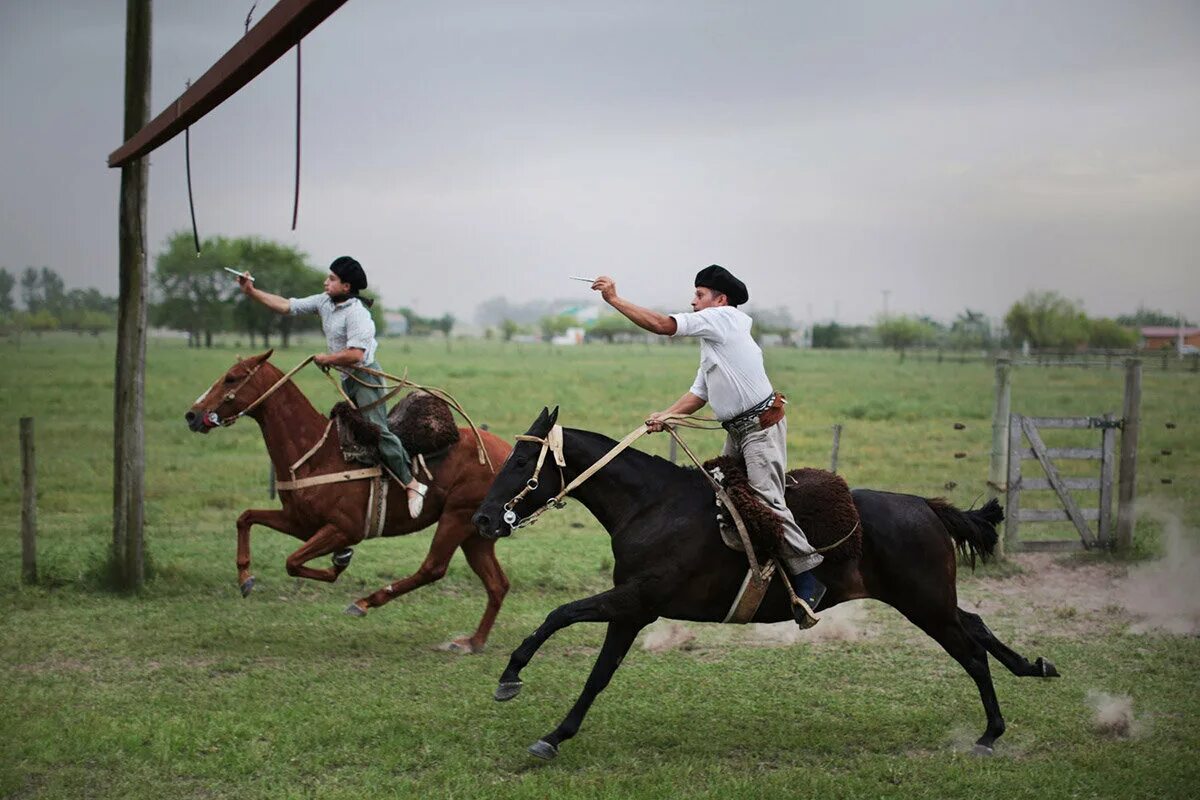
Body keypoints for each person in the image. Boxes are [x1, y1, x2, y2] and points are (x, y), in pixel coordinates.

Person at [591, 265, 824, 628]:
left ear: (720, 299)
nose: (693, 301)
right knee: (724, 495)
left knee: (766, 500)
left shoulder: (723, 320)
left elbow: (662, 326)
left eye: (699, 295)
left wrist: (614, 299)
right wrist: (667, 415)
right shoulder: (715, 339)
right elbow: (699, 393)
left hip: (760, 431)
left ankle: (808, 579)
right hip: (738, 431)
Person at [237, 256, 427, 518]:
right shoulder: (324, 302)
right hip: (347, 379)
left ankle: (411, 484)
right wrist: (251, 291)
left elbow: (356, 354)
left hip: (365, 379)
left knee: (376, 431)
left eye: (332, 279)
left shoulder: (357, 314)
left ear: (346, 287)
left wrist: (327, 358)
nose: (326, 282)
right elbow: (287, 306)